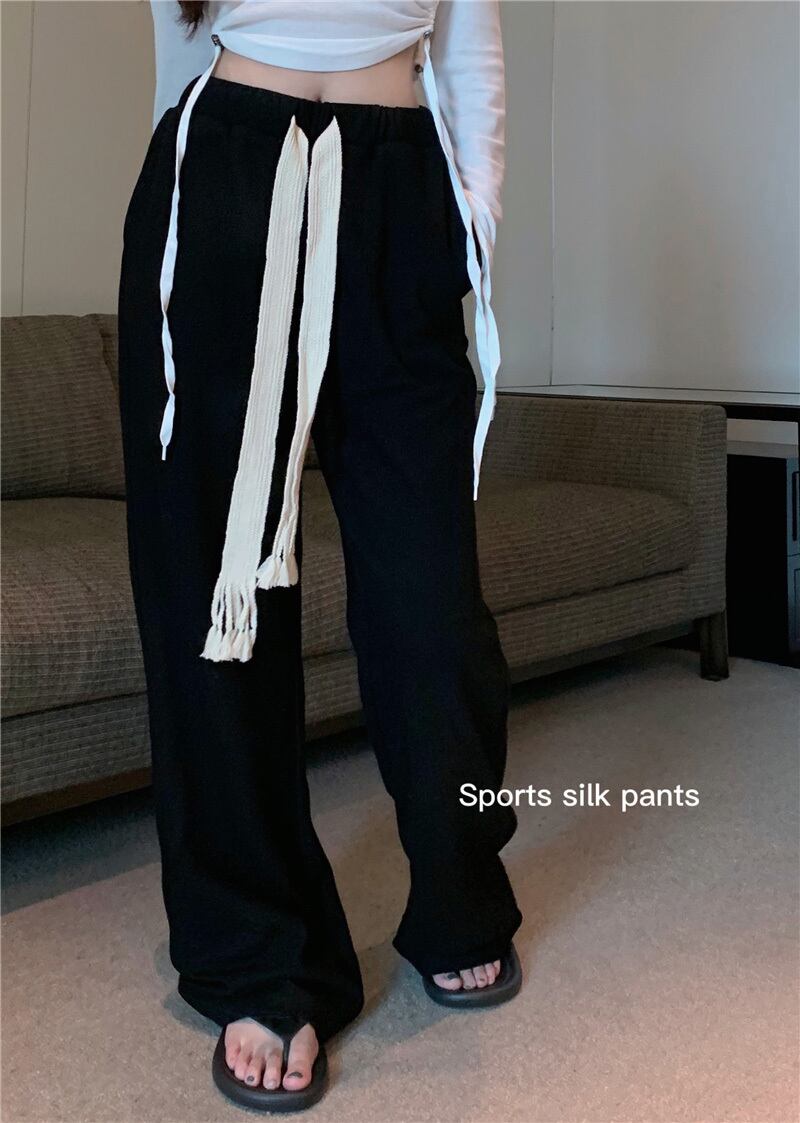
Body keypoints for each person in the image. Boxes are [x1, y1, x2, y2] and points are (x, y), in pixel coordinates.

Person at [117, 0, 522, 1111]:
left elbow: (472, 47)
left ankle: (458, 889)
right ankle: (259, 956)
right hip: (223, 184)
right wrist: (197, 211)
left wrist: (469, 223)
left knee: (429, 600)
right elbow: (178, 43)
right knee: (217, 601)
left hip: (398, 187)